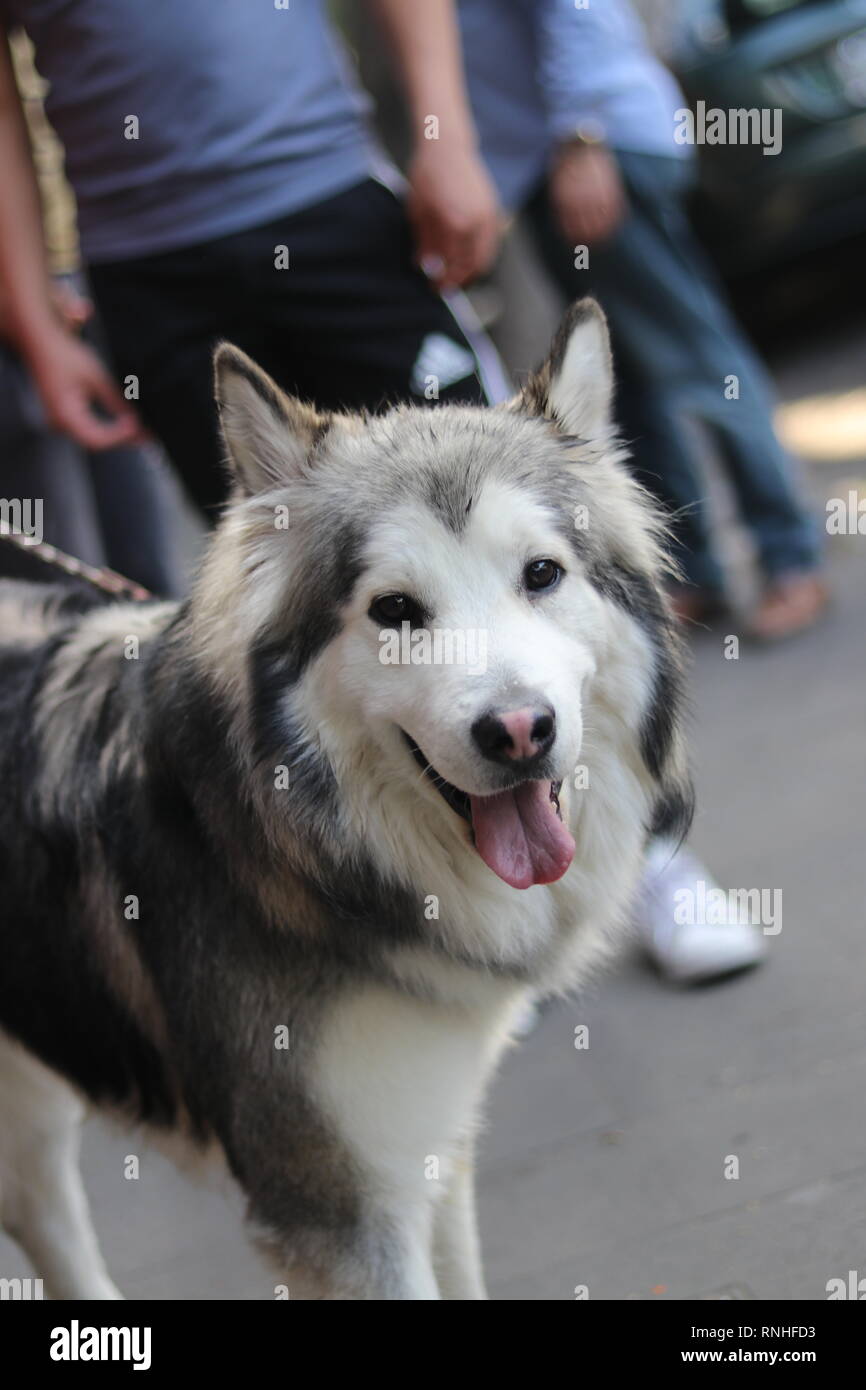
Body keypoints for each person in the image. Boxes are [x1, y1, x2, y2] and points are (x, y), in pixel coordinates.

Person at [0, 0, 507, 519]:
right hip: (147, 278)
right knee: (267, 559)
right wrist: (39, 329)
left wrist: (446, 141)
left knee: (482, 497)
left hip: (332, 208)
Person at [457, 0, 827, 643]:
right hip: (555, 166)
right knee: (630, 384)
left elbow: (578, 12)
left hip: (593, 154)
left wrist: (582, 137)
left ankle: (789, 557)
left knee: (699, 361)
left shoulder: (586, 143)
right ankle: (692, 572)